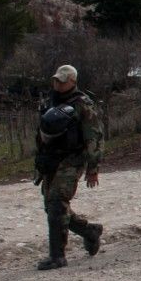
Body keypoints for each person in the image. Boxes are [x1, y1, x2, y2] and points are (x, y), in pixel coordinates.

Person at [33, 64, 103, 270]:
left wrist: (93, 167)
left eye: (63, 81)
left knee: (56, 203)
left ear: (73, 81)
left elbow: (94, 135)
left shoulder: (83, 104)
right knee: (53, 207)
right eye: (56, 80)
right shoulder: (49, 101)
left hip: (72, 159)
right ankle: (89, 231)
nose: (58, 84)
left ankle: (57, 256)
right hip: (50, 159)